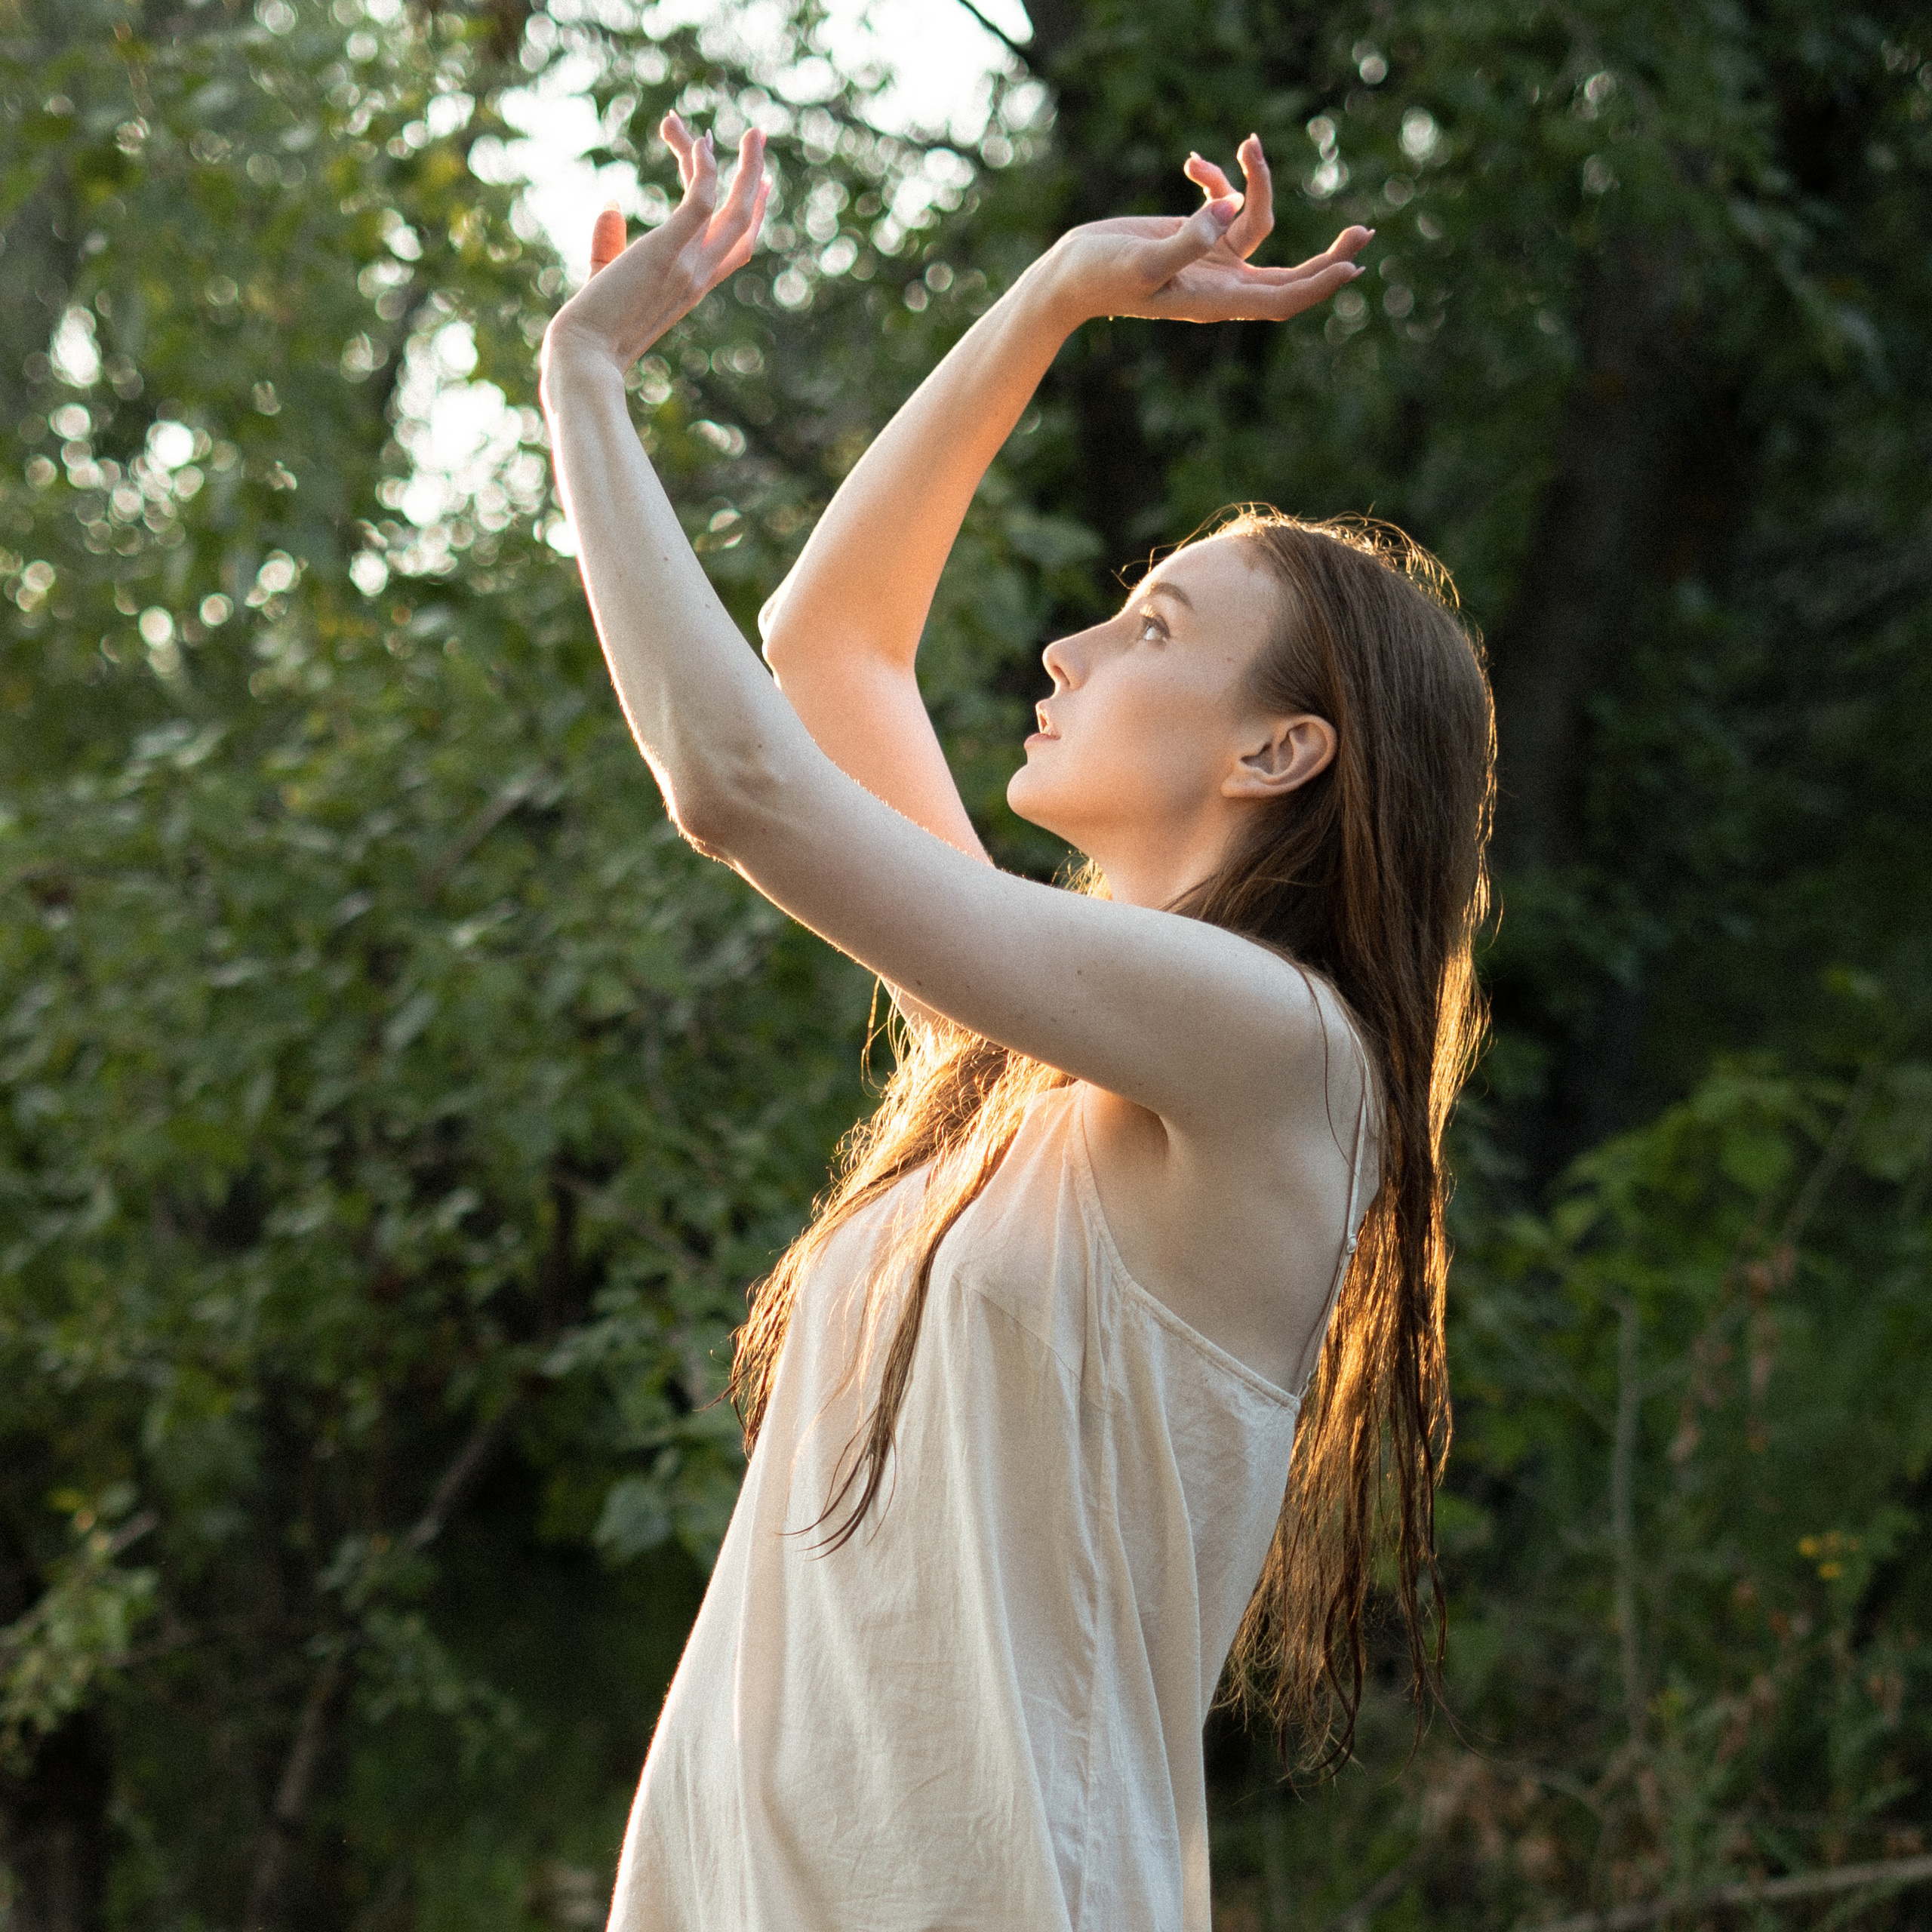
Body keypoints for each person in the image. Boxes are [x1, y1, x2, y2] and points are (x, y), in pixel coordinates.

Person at [543, 111, 1494, 1932]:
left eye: (1147, 625)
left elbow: (739, 774)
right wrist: (1056, 292)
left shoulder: (1280, 1053)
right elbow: (825, 646)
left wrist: (584, 377)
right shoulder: (1024, 1076)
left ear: (1275, 749)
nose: (1065, 651)